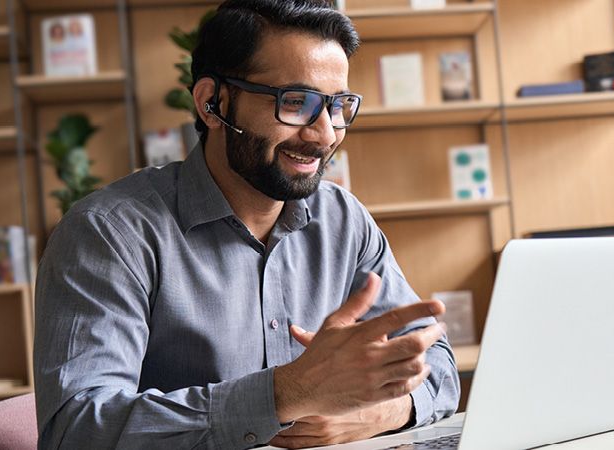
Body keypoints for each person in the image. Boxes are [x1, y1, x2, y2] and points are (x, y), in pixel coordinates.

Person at [33, 1, 460, 448]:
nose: (325, 133)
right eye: (295, 102)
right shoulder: (109, 234)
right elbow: (77, 431)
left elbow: (440, 367)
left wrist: (377, 412)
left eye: (338, 106)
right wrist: (287, 394)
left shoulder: (343, 221)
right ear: (212, 104)